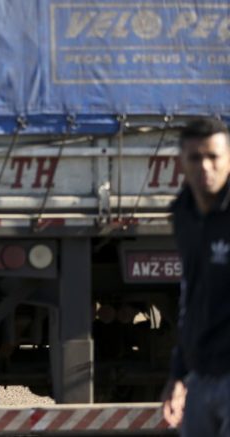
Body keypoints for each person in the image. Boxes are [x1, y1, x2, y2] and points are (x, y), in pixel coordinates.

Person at [162, 117, 230, 435]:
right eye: (195, 158)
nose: (205, 167)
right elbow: (191, 296)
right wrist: (178, 374)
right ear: (181, 163)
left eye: (213, 157)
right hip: (201, 378)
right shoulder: (183, 215)